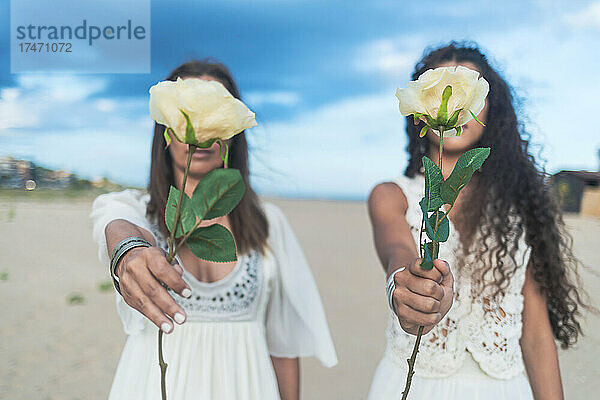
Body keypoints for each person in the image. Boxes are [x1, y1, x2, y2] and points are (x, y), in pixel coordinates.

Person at [90, 60, 337, 400]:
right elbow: (115, 225)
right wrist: (128, 250)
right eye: (190, 112)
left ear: (235, 132)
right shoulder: (138, 211)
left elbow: (283, 347)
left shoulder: (269, 224)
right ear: (165, 126)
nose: (203, 127)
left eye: (217, 112)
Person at [367, 42, 591, 399]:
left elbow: (534, 334)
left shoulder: (520, 206)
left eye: (463, 95)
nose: (449, 106)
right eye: (438, 93)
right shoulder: (391, 195)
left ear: (490, 111)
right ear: (418, 110)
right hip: (415, 384)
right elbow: (398, 254)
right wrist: (407, 293)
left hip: (504, 388)